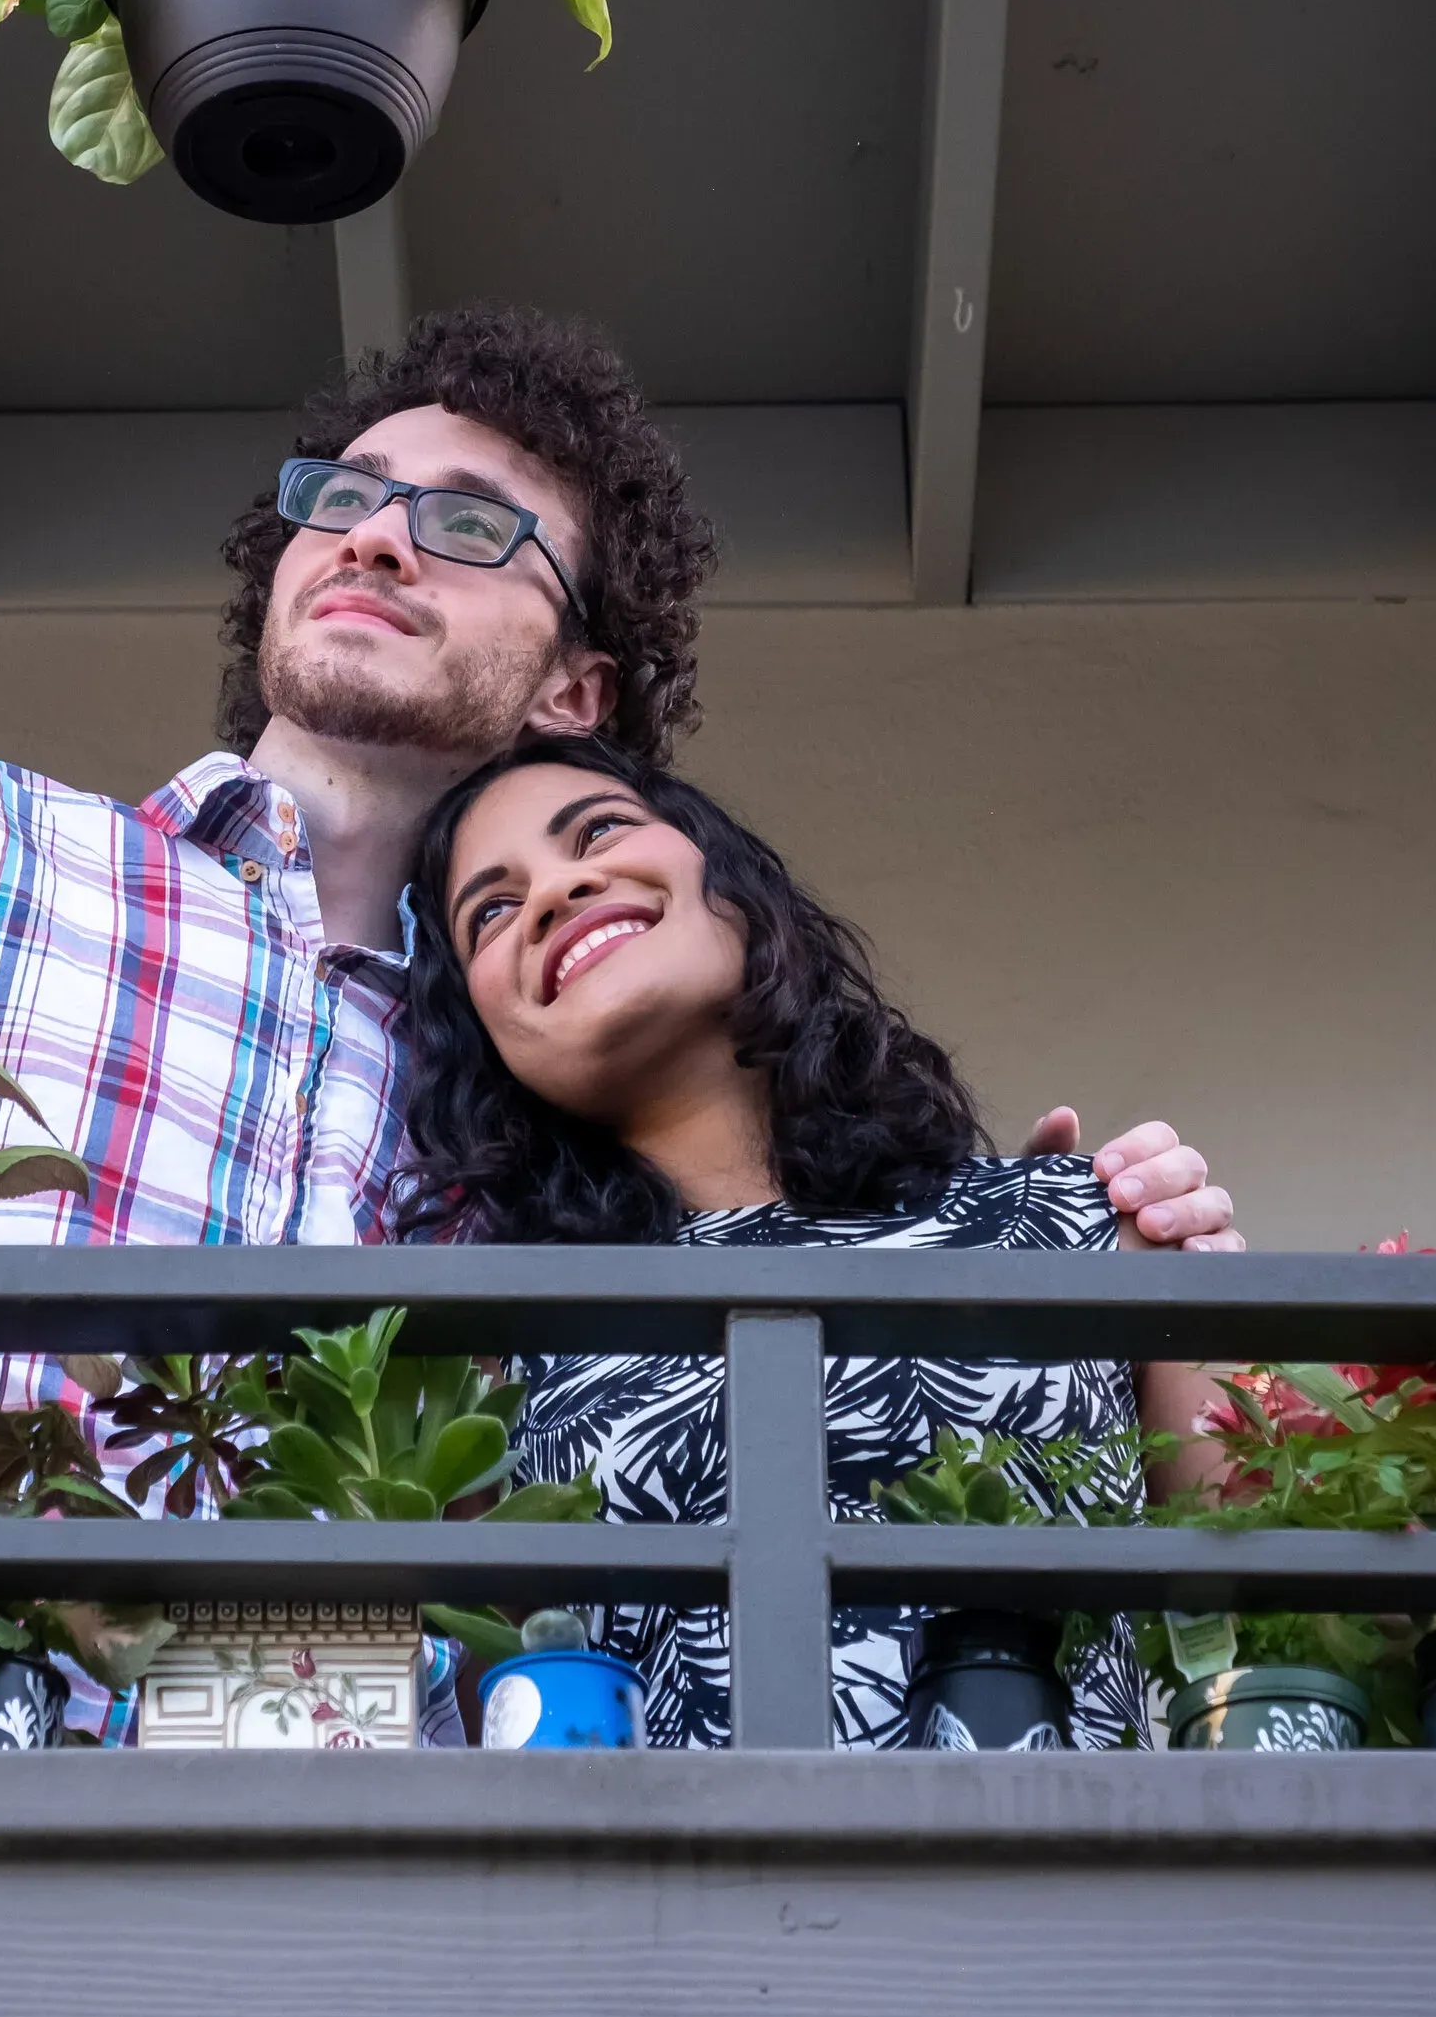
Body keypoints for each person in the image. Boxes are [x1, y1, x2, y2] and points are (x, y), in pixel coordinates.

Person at [0, 305, 1237, 1726]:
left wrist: (1053, 1246)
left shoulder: (522, 1094)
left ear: (575, 688)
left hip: (276, 1910)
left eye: (471, 523)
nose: (372, 535)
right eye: (342, 497)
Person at [399, 735, 1237, 1748]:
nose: (554, 890)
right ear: (482, 1034)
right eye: (490, 911)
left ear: (731, 883)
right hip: (688, 1855)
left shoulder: (1082, 1221)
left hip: (1072, 1849)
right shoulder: (507, 1351)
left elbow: (1297, 1619)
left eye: (601, 831)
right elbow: (499, 1732)